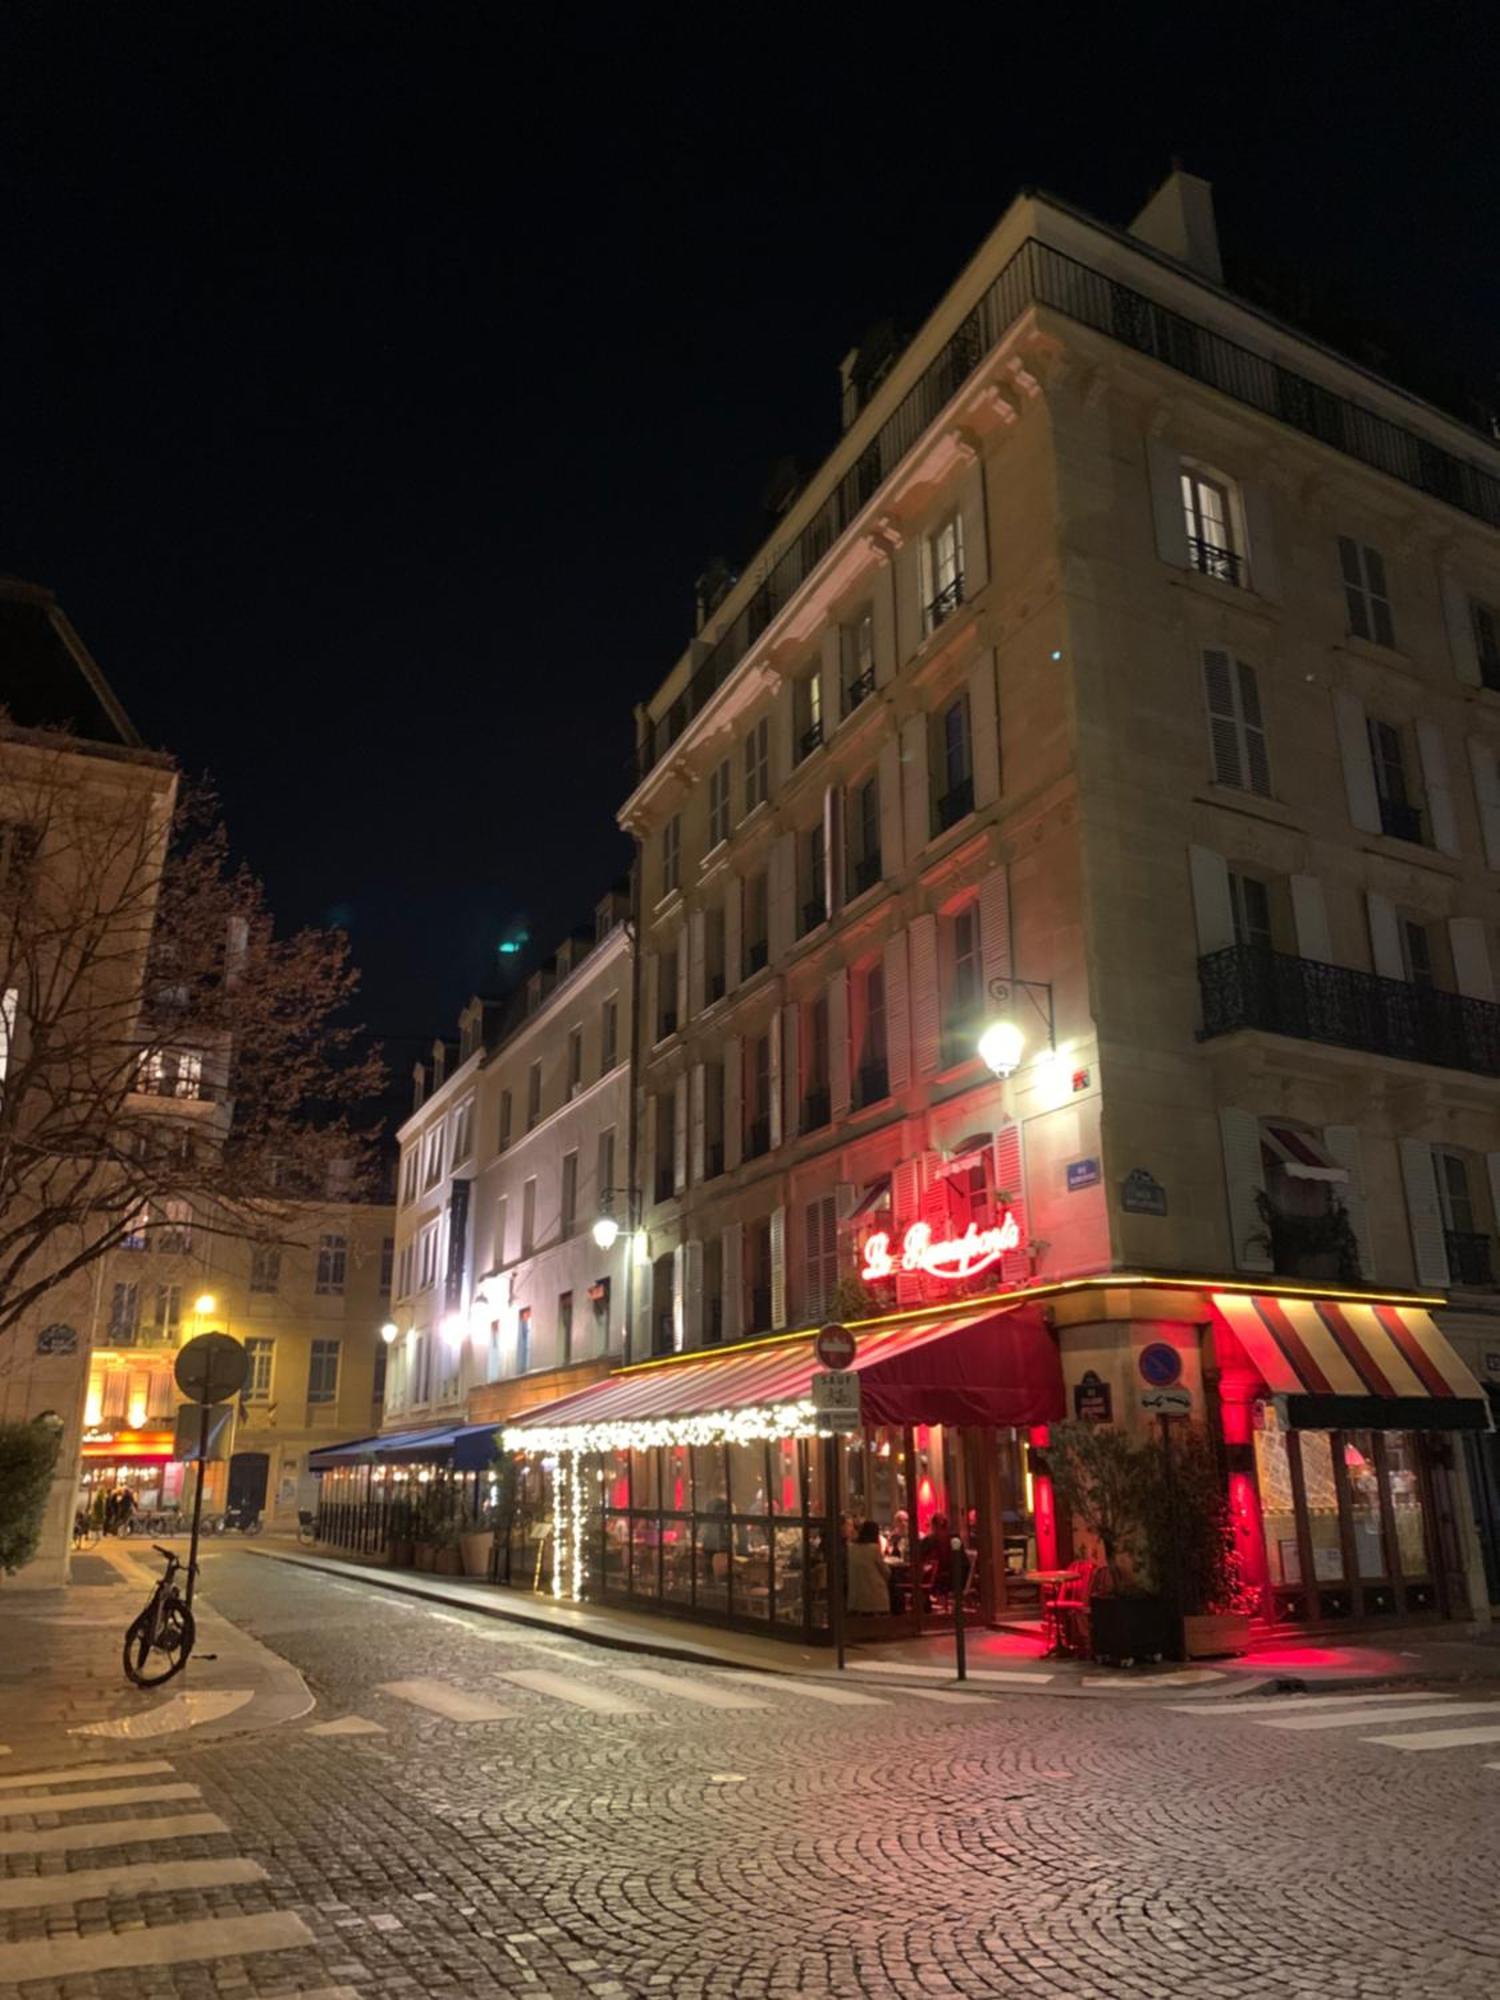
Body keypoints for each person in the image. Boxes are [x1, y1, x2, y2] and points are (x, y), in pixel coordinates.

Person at [846, 1519, 892, 1615]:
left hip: (856, 1596)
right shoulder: (873, 1549)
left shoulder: (851, 1548)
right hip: (874, 1595)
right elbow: (886, 1572)